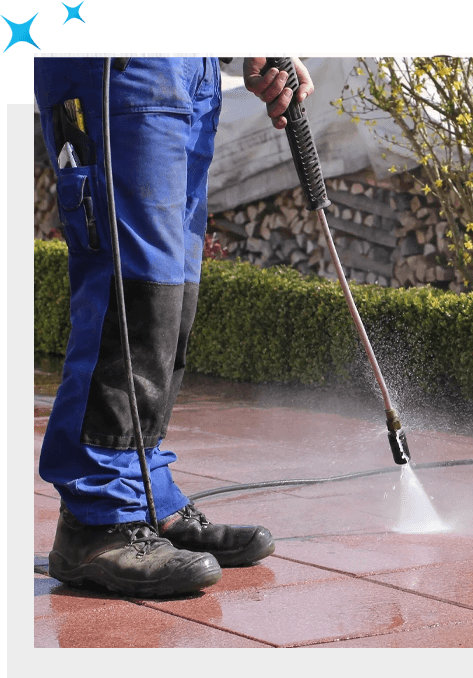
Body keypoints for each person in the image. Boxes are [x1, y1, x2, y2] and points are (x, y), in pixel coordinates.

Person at [33, 56, 315, 598]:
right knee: (131, 286)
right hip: (118, 65)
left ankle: (145, 494)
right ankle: (97, 517)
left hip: (192, 69)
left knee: (173, 289)